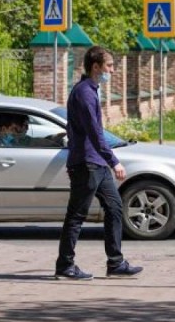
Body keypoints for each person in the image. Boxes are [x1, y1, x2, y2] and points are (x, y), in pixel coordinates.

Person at [55, 46, 143, 280]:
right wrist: (114, 161)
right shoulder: (84, 93)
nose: (112, 71)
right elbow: (94, 133)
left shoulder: (91, 90)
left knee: (114, 208)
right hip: (87, 164)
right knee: (76, 215)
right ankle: (65, 266)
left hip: (95, 163)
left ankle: (115, 263)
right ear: (96, 67)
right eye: (109, 66)